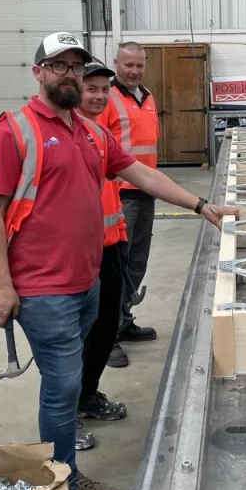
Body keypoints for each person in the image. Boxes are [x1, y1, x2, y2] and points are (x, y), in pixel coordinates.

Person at [0, 32, 235, 490]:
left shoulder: (90, 132)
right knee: (63, 388)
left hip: (87, 280)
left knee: (74, 382)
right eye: (58, 66)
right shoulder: (15, 131)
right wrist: (3, 286)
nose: (69, 75)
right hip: (41, 289)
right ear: (38, 73)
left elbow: (138, 171)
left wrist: (199, 205)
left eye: (75, 66)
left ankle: (67, 476)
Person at [74, 59, 130, 451]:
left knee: (107, 327)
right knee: (75, 337)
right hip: (78, 253)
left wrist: (121, 235)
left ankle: (88, 394)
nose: (98, 95)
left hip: (110, 244)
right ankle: (67, 415)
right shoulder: (62, 135)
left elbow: (127, 180)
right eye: (90, 88)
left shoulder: (98, 135)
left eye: (103, 89)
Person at [98, 42, 158, 369]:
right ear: (116, 64)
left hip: (145, 190)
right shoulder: (107, 98)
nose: (134, 71)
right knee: (116, 265)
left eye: (139, 65)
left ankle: (122, 319)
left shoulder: (147, 97)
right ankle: (106, 338)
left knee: (137, 261)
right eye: (128, 65)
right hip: (119, 192)